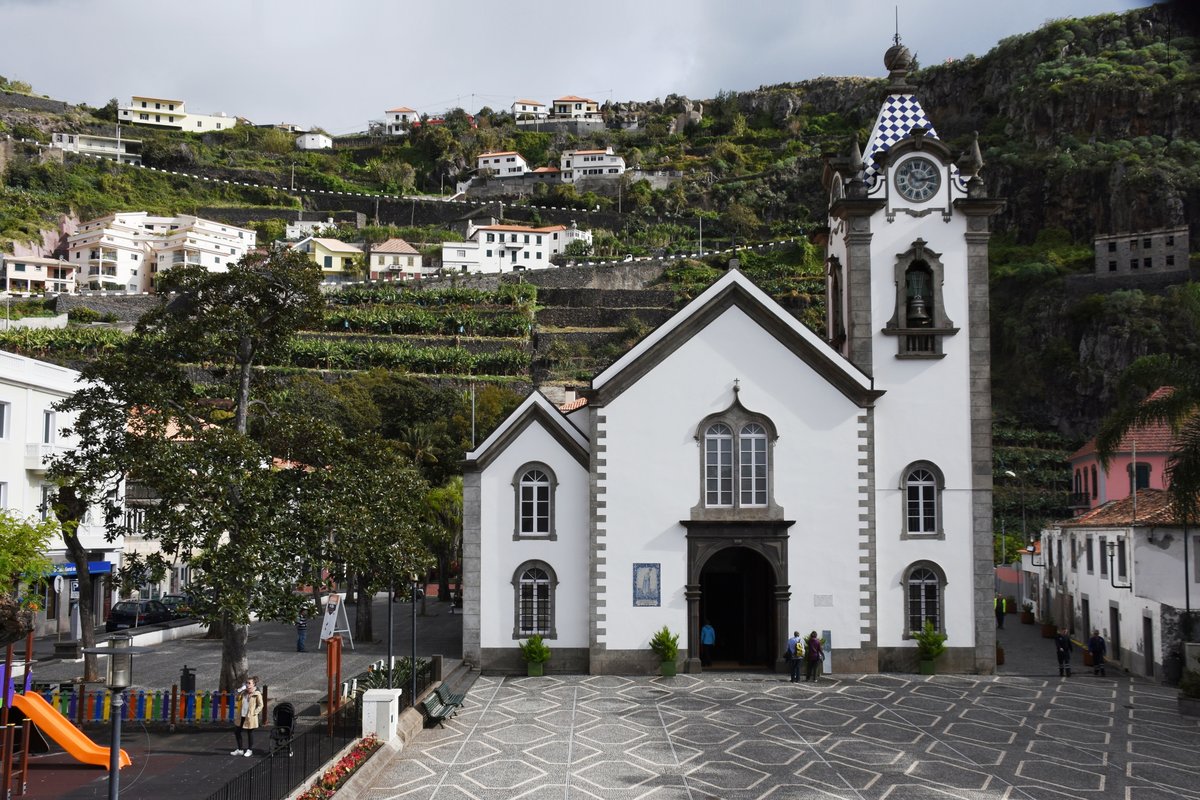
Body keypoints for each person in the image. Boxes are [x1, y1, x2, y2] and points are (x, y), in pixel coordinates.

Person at [231, 676, 263, 757]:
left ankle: (250, 749)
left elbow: (260, 705)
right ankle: (240, 749)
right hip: (242, 715)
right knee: (237, 731)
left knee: (250, 733)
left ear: (253, 684)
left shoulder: (257, 693)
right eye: (247, 683)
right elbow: (237, 699)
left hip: (250, 716)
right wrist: (240, 691)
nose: (247, 685)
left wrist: (254, 713)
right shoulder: (244, 692)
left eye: (249, 683)